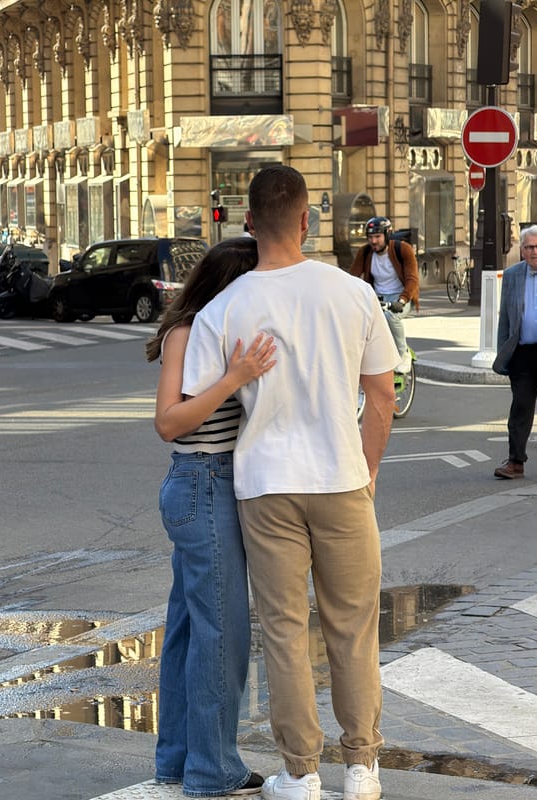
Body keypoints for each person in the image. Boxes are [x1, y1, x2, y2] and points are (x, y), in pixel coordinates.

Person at [182, 165, 400, 800]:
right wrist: (367, 471)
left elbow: (196, 406)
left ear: (248, 223)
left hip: (265, 483)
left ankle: (300, 772)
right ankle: (361, 767)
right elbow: (382, 396)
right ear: (308, 220)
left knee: (282, 627)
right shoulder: (352, 292)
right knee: (353, 625)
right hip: (340, 477)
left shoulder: (223, 309)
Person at [147, 236, 277, 797]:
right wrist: (235, 377)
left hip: (201, 487)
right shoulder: (190, 333)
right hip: (202, 483)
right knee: (220, 633)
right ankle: (212, 769)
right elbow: (169, 422)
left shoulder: (218, 332)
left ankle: (178, 759)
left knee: (187, 630)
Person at [492, 224, 537, 479]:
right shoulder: (512, 275)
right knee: (520, 408)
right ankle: (515, 462)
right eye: (529, 247)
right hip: (523, 354)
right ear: (522, 251)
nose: (535, 251)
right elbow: (505, 317)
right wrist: (502, 352)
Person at [350, 216, 420, 374]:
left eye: (377, 237)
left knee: (391, 317)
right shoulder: (366, 252)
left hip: (401, 296)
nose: (373, 241)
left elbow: (412, 279)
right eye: (370, 237)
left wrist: (402, 301)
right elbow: (353, 277)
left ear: (387, 235)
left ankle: (403, 354)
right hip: (377, 297)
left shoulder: (403, 249)